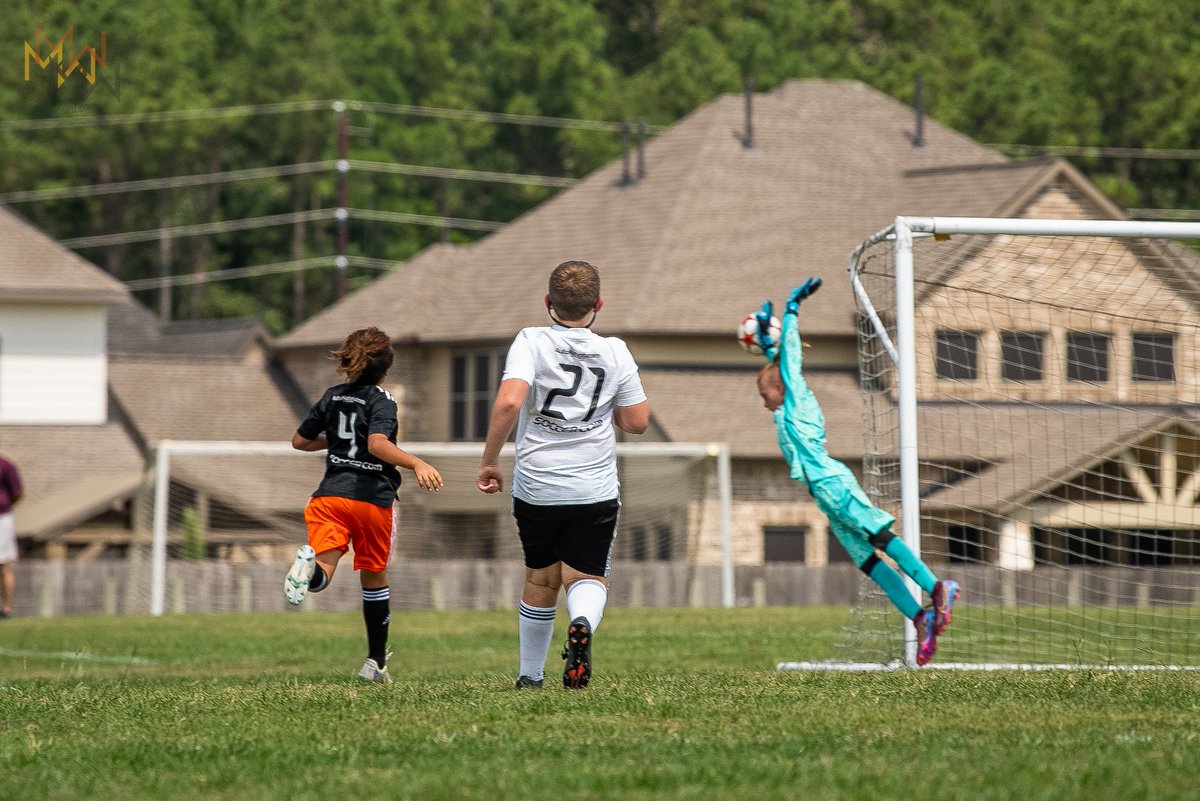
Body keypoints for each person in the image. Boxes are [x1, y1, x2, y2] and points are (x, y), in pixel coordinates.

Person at [753, 277, 959, 666]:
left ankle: (937, 587)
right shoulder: (783, 407)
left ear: (781, 389)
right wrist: (768, 346)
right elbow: (780, 364)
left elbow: (790, 362)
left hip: (834, 482)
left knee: (880, 537)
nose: (763, 403)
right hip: (824, 497)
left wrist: (791, 311)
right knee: (867, 561)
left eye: (765, 395)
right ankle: (920, 617)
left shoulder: (797, 400)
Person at [477, 260, 650, 689]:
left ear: (549, 302)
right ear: (598, 305)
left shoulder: (530, 340)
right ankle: (583, 626)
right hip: (594, 486)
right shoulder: (615, 351)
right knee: (587, 576)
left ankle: (530, 677)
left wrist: (489, 460)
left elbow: (508, 404)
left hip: (537, 483)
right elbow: (637, 422)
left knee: (540, 576)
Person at [283, 326, 444, 683]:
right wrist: (417, 463)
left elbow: (300, 440)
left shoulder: (333, 396)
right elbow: (376, 444)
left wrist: (340, 445)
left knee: (324, 568)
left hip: (329, 497)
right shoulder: (381, 399)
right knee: (374, 578)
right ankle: (375, 663)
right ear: (386, 367)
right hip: (372, 500)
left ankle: (307, 570)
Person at [0, 451, 23, 619]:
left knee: (5, 566)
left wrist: (5, 505)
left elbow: (18, 492)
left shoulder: (5, 465)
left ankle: (6, 609)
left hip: (2, 518)